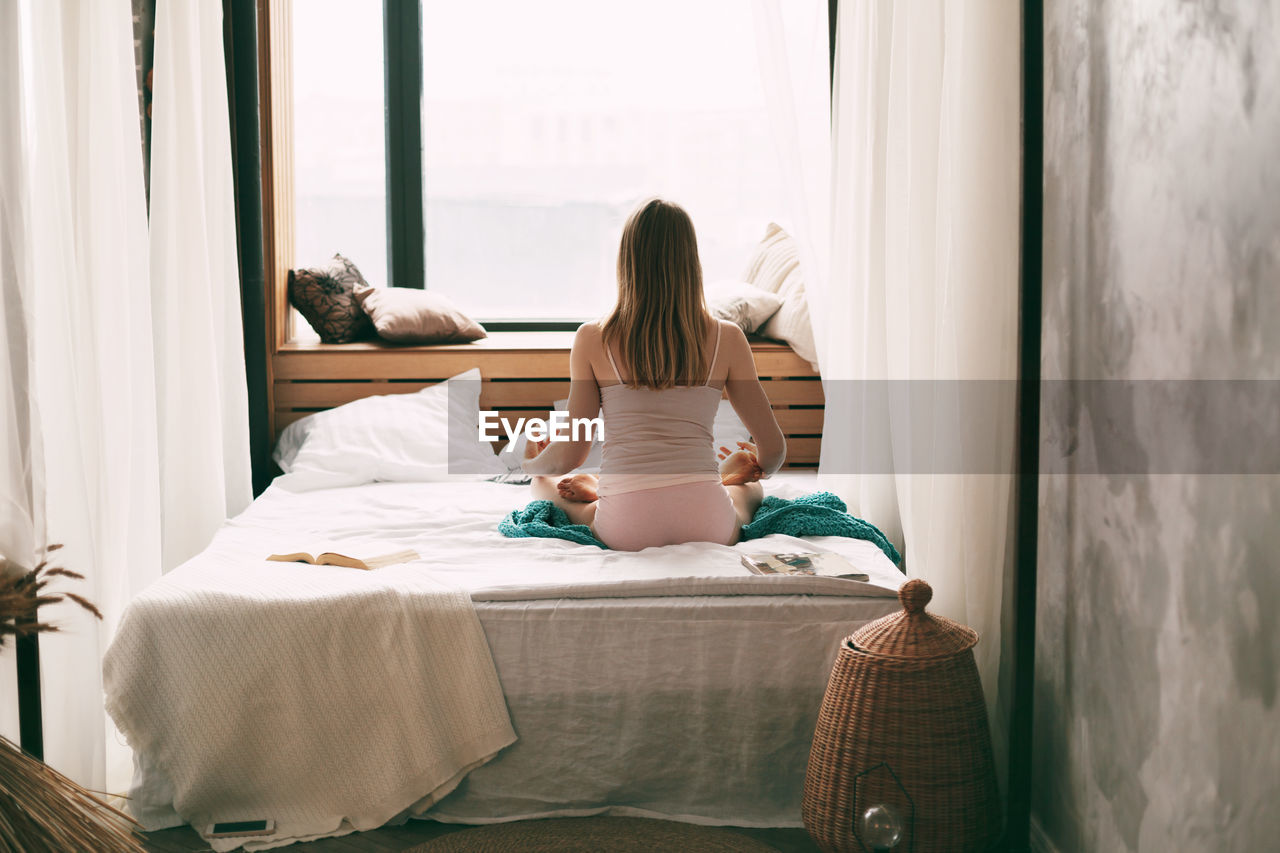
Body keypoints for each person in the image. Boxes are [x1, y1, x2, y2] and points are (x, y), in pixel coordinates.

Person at [522, 198, 786, 551]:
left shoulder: (591, 338)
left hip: (625, 527)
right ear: (690, 261)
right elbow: (775, 451)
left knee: (544, 485)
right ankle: (725, 477)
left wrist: (531, 463)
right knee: (750, 488)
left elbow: (569, 455)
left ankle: (600, 492)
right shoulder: (729, 338)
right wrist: (758, 464)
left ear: (627, 261)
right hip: (708, 522)